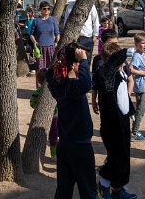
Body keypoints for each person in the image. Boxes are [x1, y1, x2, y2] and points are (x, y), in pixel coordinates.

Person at [47, 42, 97, 199]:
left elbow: (50, 74)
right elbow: (86, 84)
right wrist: (82, 61)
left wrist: (68, 61)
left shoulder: (58, 85)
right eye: (80, 63)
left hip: (65, 145)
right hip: (80, 146)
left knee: (64, 188)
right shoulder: (72, 86)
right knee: (88, 189)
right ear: (73, 65)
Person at [94, 42, 137, 199]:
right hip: (112, 124)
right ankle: (104, 184)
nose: (123, 62)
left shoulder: (120, 73)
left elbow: (123, 97)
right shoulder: (106, 75)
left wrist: (130, 112)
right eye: (119, 59)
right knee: (116, 156)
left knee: (124, 155)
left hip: (123, 120)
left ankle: (118, 188)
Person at [92, 29, 134, 115]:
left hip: (120, 102)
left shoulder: (122, 60)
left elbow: (130, 80)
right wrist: (93, 100)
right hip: (104, 103)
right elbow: (95, 83)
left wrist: (126, 96)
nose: (115, 46)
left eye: (116, 43)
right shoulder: (97, 61)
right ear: (102, 43)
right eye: (111, 44)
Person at [63, 0, 99, 64]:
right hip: (75, 39)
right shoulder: (69, 7)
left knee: (87, 61)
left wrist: (95, 35)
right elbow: (66, 22)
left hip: (87, 38)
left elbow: (95, 21)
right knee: (74, 62)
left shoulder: (91, 6)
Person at [129, 32, 145, 141]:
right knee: (140, 110)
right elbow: (131, 69)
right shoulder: (137, 56)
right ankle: (134, 132)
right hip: (140, 88)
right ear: (136, 44)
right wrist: (144, 72)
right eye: (142, 43)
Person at [30, 68, 58, 158]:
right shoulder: (53, 91)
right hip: (54, 117)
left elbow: (32, 103)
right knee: (54, 136)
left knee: (48, 136)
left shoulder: (36, 92)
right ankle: (54, 154)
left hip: (41, 117)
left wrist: (37, 107)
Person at [30, 1, 60, 71]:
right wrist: (34, 42)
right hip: (40, 48)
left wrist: (56, 43)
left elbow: (57, 34)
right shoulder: (36, 21)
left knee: (51, 69)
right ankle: (40, 82)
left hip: (51, 48)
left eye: (48, 8)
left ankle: (50, 82)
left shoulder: (53, 20)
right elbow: (31, 35)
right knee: (40, 69)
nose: (47, 10)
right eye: (44, 8)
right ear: (40, 9)